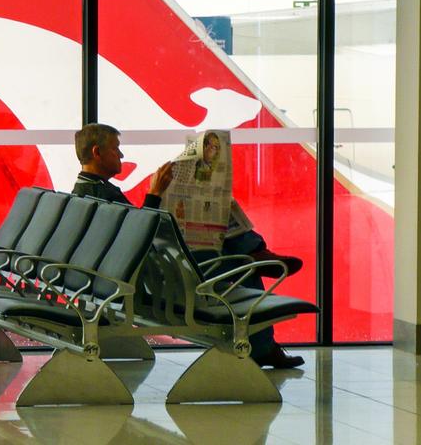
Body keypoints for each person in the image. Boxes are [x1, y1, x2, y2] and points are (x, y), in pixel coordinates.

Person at [72, 123, 304, 368]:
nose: (121, 155)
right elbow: (137, 238)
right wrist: (155, 194)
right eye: (115, 149)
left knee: (220, 226)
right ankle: (263, 343)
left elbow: (131, 235)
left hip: (146, 274)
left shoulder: (88, 193)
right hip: (157, 282)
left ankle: (256, 253)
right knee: (245, 268)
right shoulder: (99, 197)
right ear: (97, 153)